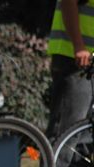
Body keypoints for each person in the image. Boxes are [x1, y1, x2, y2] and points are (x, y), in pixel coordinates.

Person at [47, 0, 94, 141]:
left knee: (85, 138)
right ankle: (54, 163)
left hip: (87, 61)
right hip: (75, 60)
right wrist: (79, 46)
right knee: (66, 133)